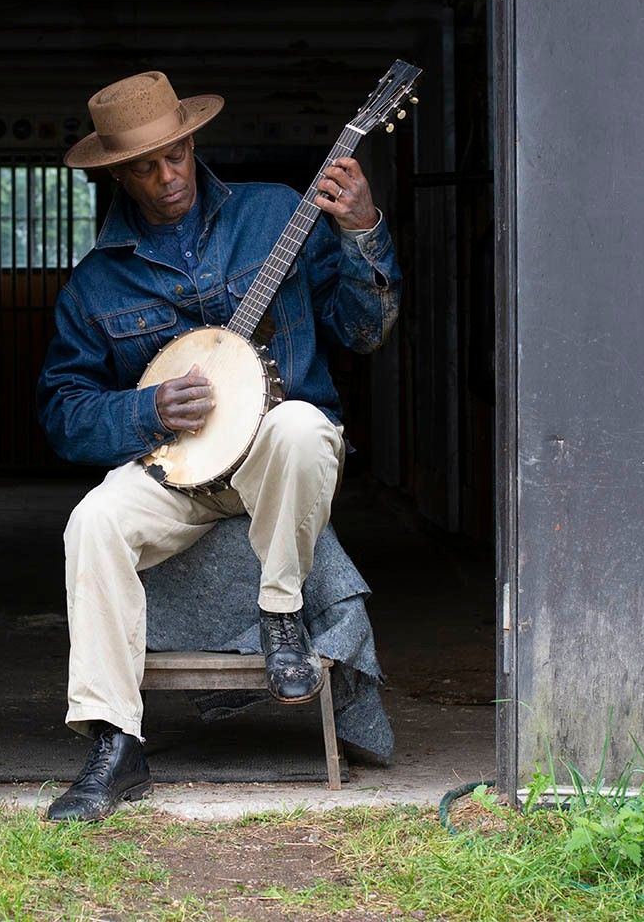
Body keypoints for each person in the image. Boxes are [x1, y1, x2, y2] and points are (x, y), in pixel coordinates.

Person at [37, 70, 401, 821]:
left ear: (192, 141)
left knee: (301, 424)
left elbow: (362, 331)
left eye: (173, 156)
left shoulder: (277, 214)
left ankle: (279, 613)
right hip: (177, 472)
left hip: (273, 460)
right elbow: (63, 414)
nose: (166, 176)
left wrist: (364, 231)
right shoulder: (95, 286)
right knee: (92, 523)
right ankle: (114, 739)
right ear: (116, 172)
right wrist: (146, 408)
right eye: (143, 165)